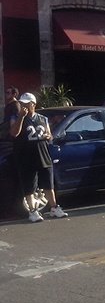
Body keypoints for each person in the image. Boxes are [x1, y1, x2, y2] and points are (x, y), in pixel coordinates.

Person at [9, 93, 68, 222]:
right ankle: (33, 211)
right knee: (29, 185)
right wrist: (21, 117)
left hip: (43, 155)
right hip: (26, 157)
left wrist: (48, 136)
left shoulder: (42, 118)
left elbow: (49, 135)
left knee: (48, 184)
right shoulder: (17, 118)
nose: (23, 105)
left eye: (26, 103)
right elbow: (14, 133)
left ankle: (54, 207)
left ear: (33, 104)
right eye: (22, 103)